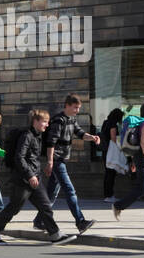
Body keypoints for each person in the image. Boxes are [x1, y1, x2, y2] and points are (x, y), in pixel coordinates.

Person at [0, 108, 75, 245]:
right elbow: (19, 158)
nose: (47, 124)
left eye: (47, 122)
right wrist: (30, 175)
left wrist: (35, 174)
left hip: (34, 179)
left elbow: (33, 159)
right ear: (35, 121)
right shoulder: (27, 136)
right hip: (23, 180)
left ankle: (55, 234)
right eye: (44, 122)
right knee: (14, 207)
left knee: (45, 206)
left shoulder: (37, 136)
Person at [36, 94, 99, 234]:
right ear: (68, 105)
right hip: (57, 161)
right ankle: (80, 222)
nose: (77, 110)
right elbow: (50, 143)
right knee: (70, 190)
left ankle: (39, 221)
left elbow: (80, 133)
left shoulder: (71, 119)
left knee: (51, 194)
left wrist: (92, 138)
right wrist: (50, 162)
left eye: (78, 108)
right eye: (75, 107)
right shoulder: (59, 121)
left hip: (61, 160)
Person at [113, 102, 144, 221]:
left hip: (140, 157)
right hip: (143, 158)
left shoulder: (141, 122)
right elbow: (143, 143)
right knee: (142, 188)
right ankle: (118, 206)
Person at [100, 108, 125, 200]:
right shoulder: (113, 124)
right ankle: (109, 195)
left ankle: (107, 195)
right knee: (111, 173)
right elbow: (113, 138)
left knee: (107, 172)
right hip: (111, 150)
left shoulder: (105, 122)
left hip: (104, 150)